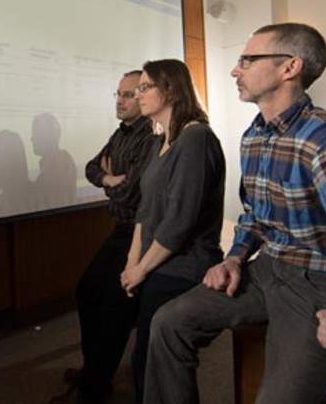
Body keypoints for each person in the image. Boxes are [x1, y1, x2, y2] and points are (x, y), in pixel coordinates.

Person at [144, 23, 326, 404]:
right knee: (167, 323)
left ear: (289, 67)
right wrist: (235, 257)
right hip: (269, 268)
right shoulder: (255, 136)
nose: (235, 70)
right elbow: (255, 214)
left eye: (247, 60)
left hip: (321, 281)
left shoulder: (325, 140)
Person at [121, 59, 226, 403]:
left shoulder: (196, 138)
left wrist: (141, 269)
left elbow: (179, 221)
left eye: (144, 87)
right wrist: (132, 261)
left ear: (170, 89)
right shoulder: (159, 142)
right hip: (156, 263)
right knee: (143, 360)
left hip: (184, 266)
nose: (137, 95)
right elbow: (146, 209)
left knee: (152, 362)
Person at [62, 70, 155, 402]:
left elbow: (132, 193)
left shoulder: (151, 136)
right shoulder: (120, 134)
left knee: (115, 307)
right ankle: (93, 370)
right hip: (120, 229)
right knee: (87, 292)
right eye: (118, 93)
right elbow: (91, 168)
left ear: (143, 98)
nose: (120, 100)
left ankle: (96, 384)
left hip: (141, 233)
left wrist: (116, 184)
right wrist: (109, 179)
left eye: (128, 94)